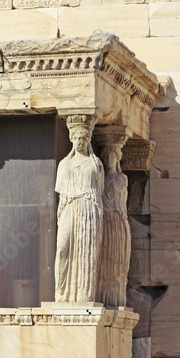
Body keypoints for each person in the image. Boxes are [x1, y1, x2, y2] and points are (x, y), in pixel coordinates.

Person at [54, 121, 104, 303]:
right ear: (71, 139)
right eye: (76, 138)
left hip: (87, 208)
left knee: (86, 250)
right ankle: (62, 293)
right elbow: (60, 191)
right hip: (68, 207)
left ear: (88, 140)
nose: (80, 142)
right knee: (62, 247)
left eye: (83, 138)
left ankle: (83, 295)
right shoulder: (64, 164)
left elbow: (100, 190)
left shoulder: (95, 164)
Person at [97, 145, 131, 307]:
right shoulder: (100, 180)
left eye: (113, 157)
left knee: (117, 260)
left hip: (118, 221)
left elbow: (122, 203)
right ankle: (103, 295)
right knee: (103, 261)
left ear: (118, 159)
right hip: (105, 220)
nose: (110, 160)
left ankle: (116, 298)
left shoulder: (122, 179)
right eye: (107, 157)